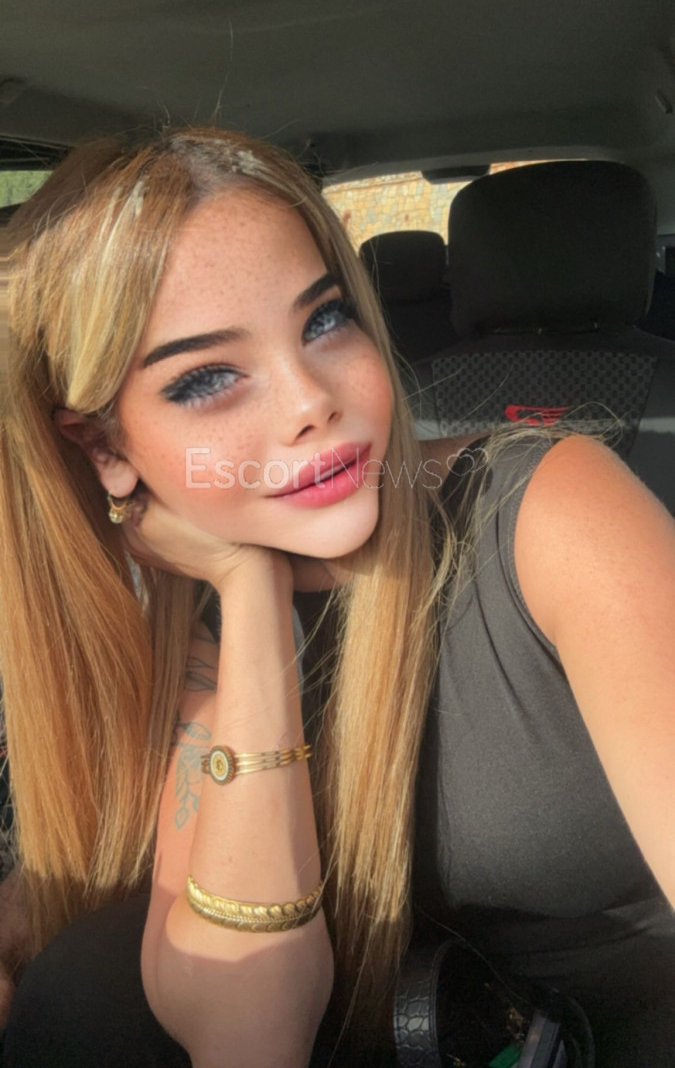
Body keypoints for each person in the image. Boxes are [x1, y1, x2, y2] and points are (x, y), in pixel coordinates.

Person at [0, 127, 674, 1068]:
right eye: (207, 378)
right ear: (106, 448)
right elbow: (250, 1035)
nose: (310, 401)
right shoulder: (171, 610)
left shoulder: (550, 507)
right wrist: (248, 593)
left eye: (323, 321)